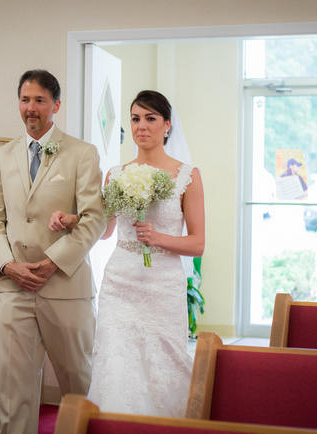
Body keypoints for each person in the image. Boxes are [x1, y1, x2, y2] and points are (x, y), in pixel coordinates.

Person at [50, 90, 205, 417]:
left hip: (163, 285)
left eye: (150, 118)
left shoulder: (187, 176)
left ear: (167, 125)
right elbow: (104, 229)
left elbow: (197, 243)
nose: (141, 126)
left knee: (163, 362)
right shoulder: (116, 174)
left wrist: (159, 238)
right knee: (116, 360)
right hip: (120, 282)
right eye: (135, 119)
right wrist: (73, 219)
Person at [0, 69, 105, 434]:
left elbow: (93, 219)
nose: (30, 108)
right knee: (13, 390)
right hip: (13, 288)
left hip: (65, 288)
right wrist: (7, 266)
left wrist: (52, 264)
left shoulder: (82, 153)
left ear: (56, 105)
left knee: (79, 383)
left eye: (39, 100)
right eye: (24, 100)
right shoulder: (2, 156)